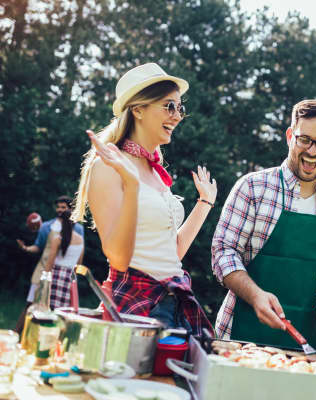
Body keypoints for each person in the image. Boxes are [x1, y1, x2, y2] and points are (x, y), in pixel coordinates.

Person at [72, 63, 216, 335]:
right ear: (138, 109)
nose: (177, 116)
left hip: (174, 300)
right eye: (169, 106)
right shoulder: (107, 166)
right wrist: (131, 184)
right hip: (137, 304)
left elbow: (170, 253)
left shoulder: (156, 172)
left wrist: (204, 204)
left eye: (179, 108)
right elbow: (118, 258)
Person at [212, 99, 316, 351]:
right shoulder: (253, 187)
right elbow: (223, 252)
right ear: (290, 136)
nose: (312, 151)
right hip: (241, 337)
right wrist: (256, 296)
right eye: (304, 139)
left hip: (311, 345)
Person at [15, 196, 85, 332]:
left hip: (55, 273)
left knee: (50, 310)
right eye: (58, 207)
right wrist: (26, 248)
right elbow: (38, 246)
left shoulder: (79, 230)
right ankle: (18, 333)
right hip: (44, 270)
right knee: (31, 305)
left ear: (70, 210)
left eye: (63, 207)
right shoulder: (47, 226)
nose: (60, 209)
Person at [43, 210, 84, 309]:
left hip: (57, 275)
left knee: (52, 309)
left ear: (61, 221)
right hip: (71, 277)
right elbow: (79, 263)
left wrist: (44, 280)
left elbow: (50, 262)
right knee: (66, 310)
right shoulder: (81, 239)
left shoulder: (58, 239)